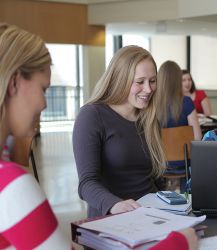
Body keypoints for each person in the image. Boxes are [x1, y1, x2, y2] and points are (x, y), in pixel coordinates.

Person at [73, 46, 198, 249]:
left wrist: (172, 208)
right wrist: (116, 205)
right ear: (120, 79)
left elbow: (156, 179)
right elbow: (86, 184)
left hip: (151, 218)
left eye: (152, 81)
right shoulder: (92, 116)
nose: (148, 89)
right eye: (140, 82)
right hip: (112, 222)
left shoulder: (149, 119)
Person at [0, 22, 70, 249]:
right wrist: (181, 240)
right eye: (44, 88)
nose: (44, 103)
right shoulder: (11, 186)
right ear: (14, 82)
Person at [156, 62, 202, 140]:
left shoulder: (151, 103)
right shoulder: (187, 102)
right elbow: (197, 137)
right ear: (178, 80)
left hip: (157, 152)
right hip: (182, 151)